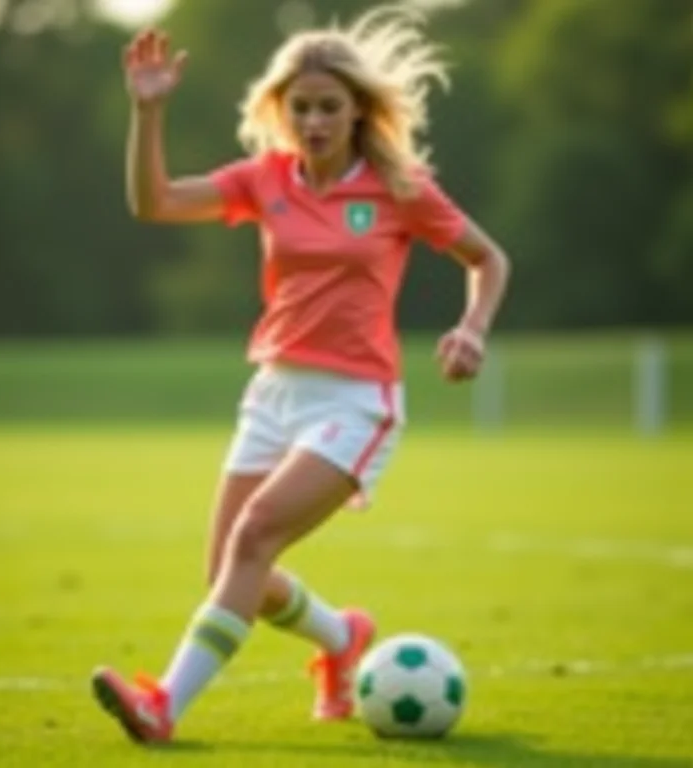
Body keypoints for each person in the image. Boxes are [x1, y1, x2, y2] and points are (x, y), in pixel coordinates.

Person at [91, 2, 510, 744]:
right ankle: (341, 638)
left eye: (329, 107)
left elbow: (488, 259)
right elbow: (151, 203)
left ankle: (163, 708)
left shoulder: (400, 187)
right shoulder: (265, 179)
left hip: (356, 402)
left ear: (357, 113)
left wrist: (472, 328)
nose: (313, 121)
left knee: (253, 539)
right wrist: (147, 114)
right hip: (273, 392)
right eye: (301, 107)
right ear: (282, 111)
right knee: (229, 568)